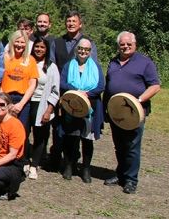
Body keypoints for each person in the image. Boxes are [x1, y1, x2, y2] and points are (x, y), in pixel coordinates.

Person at [104, 31, 160, 194]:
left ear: (135, 45)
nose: (125, 46)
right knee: (119, 145)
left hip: (135, 112)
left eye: (129, 44)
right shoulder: (113, 62)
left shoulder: (144, 62)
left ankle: (131, 180)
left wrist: (139, 100)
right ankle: (121, 175)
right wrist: (106, 108)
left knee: (132, 146)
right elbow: (109, 85)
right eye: (122, 44)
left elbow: (155, 85)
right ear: (118, 45)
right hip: (116, 111)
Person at [59, 38, 104, 183]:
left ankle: (86, 168)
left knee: (87, 139)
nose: (83, 51)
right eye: (80, 49)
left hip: (90, 107)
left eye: (86, 49)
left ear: (90, 51)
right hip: (72, 106)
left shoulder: (96, 67)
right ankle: (69, 166)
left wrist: (86, 94)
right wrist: (76, 91)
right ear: (76, 50)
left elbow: (101, 86)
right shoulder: (68, 66)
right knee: (71, 138)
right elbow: (63, 83)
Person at [1, 30, 39, 164]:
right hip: (5, 98)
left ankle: (19, 162)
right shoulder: (4, 57)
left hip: (23, 100)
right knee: (4, 130)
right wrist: (5, 101)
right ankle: (2, 159)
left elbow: (32, 84)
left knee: (21, 132)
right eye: (17, 41)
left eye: (23, 42)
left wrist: (21, 104)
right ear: (12, 42)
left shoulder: (30, 60)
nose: (19, 45)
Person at [28, 37, 59, 179]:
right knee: (23, 132)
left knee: (40, 136)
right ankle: (23, 161)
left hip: (41, 104)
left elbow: (55, 91)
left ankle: (34, 165)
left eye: (42, 47)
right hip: (27, 102)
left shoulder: (51, 67)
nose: (39, 49)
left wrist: (49, 110)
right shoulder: (28, 61)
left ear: (47, 50)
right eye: (37, 47)